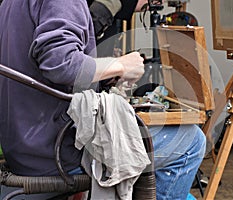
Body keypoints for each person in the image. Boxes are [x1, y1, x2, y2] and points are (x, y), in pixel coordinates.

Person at [0, 0, 206, 199]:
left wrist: (105, 74)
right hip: (56, 152)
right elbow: (60, 63)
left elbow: (41, 69)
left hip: (21, 147)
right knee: (191, 141)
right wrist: (120, 65)